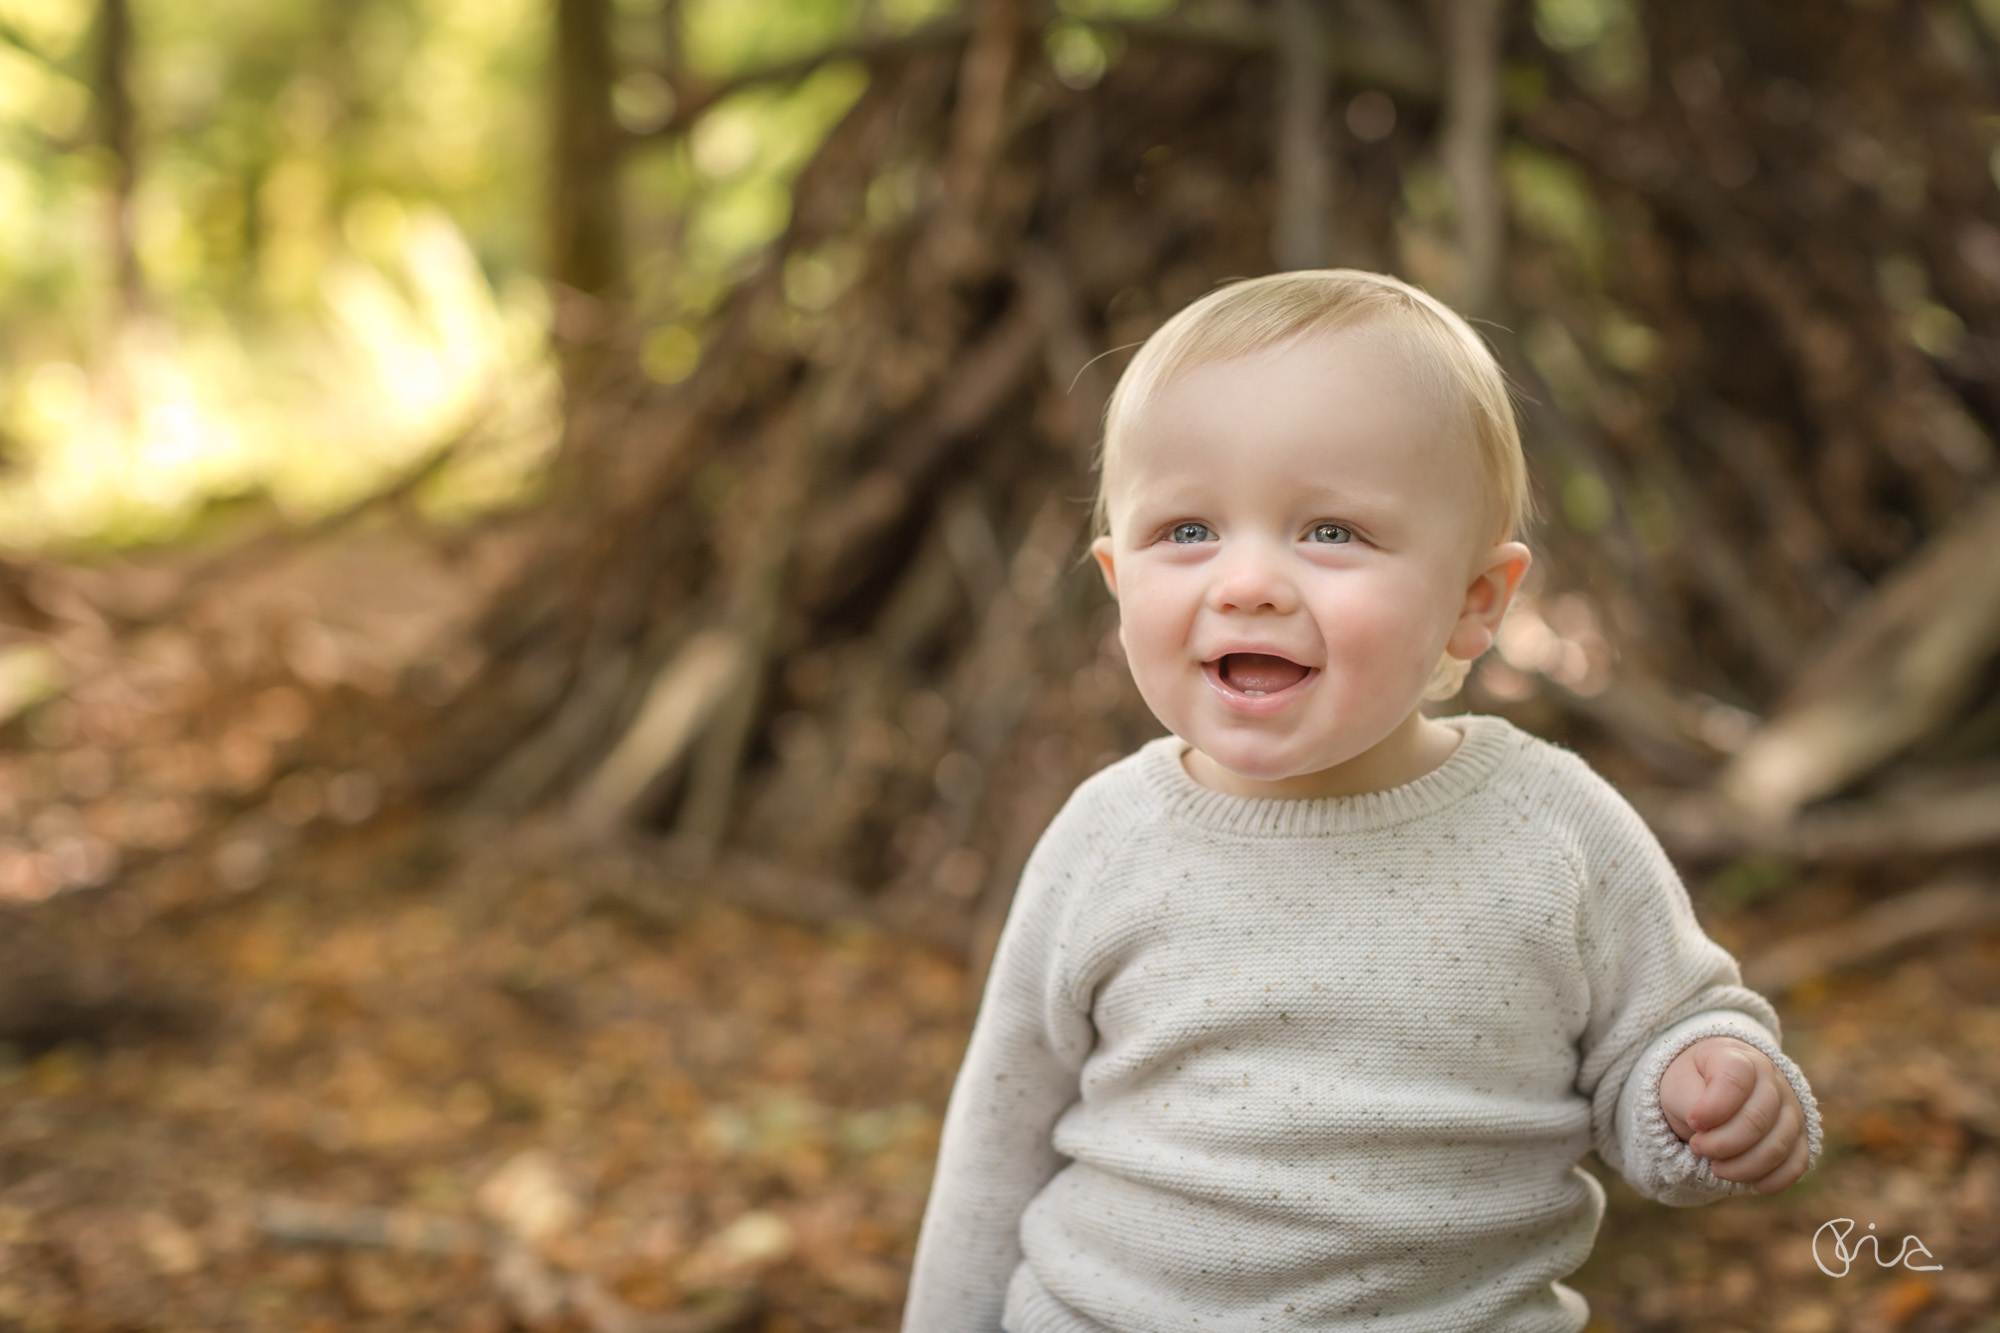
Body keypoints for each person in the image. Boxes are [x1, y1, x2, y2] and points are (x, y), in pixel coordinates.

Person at [899, 269, 1822, 1332]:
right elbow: (996, 1136)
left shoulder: (1549, 828)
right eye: (1185, 531)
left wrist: (1704, 1089)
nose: (1245, 582)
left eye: (1329, 532)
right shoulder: (1107, 837)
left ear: (1473, 602)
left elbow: (1659, 1041)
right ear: (1116, 583)